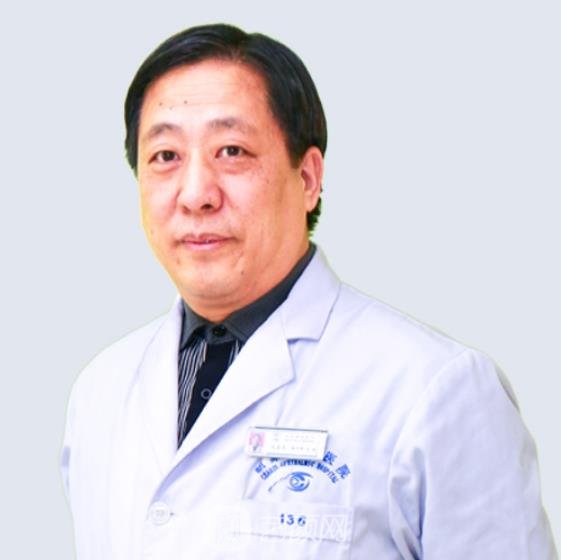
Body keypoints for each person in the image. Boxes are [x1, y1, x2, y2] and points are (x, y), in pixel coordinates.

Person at [61, 23, 558, 559]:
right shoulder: (101, 391)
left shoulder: (436, 390)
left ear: (308, 178)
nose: (196, 193)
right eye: (165, 156)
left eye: (231, 150)